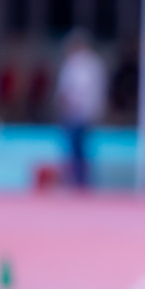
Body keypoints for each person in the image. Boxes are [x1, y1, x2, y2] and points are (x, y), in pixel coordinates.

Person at [55, 31, 106, 189]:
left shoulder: (75, 64)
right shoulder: (95, 63)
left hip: (77, 113)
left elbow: (66, 91)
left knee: (76, 150)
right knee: (81, 150)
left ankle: (78, 182)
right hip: (86, 113)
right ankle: (81, 182)